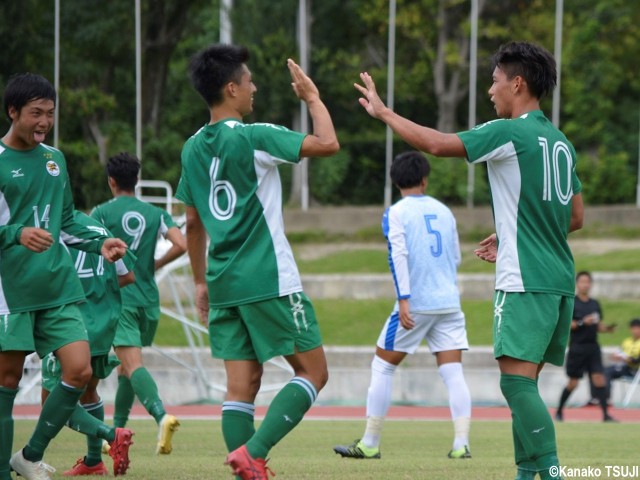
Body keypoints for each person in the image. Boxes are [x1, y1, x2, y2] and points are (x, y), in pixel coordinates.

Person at [354, 41, 584, 480]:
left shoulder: (510, 131)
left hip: (524, 279)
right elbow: (574, 216)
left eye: (495, 81)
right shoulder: (561, 142)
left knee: (515, 384)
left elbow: (439, 146)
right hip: (559, 280)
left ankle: (552, 473)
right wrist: (513, 230)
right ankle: (526, 473)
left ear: (518, 83)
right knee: (525, 383)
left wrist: (384, 113)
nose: (490, 91)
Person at [177, 44, 339, 480]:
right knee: (314, 372)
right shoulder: (253, 136)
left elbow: (192, 223)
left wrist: (199, 282)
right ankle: (254, 453)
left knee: (241, 387)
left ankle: (246, 469)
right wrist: (312, 98)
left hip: (223, 280)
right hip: (268, 278)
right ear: (231, 88)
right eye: (249, 81)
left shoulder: (191, 149)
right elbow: (328, 143)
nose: (254, 87)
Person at [0, 73, 128, 480]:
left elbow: (67, 220)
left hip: (57, 286)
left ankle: (29, 454)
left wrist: (101, 241)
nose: (43, 122)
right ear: (12, 112)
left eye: (50, 114)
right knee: (7, 381)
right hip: (11, 292)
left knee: (79, 370)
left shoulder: (55, 159)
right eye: (35, 113)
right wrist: (15, 233)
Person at [333, 151, 472, 460]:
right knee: (453, 372)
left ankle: (369, 443)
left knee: (382, 365)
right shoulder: (445, 211)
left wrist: (405, 299)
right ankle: (462, 444)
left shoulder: (396, 212)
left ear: (395, 181)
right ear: (425, 179)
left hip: (417, 303)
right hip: (449, 302)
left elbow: (398, 255)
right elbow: (457, 258)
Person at [91, 152, 186, 454]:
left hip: (122, 300)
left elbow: (87, 249)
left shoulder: (101, 213)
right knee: (125, 369)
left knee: (132, 364)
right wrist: (156, 264)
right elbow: (181, 244)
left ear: (111, 181)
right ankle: (116, 434)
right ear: (137, 181)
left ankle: (161, 415)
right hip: (148, 301)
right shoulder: (156, 212)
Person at [40, 210, 137, 476]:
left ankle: (111, 435)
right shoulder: (100, 229)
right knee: (89, 391)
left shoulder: (51, 227)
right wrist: (98, 285)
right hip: (103, 322)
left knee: (51, 400)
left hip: (70, 324)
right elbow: (129, 276)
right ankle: (94, 460)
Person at [556, 271, 616, 422]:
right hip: (577, 347)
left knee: (599, 379)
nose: (585, 284)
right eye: (582, 281)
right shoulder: (572, 302)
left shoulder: (594, 303)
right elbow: (567, 325)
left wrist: (607, 329)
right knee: (573, 382)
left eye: (588, 281)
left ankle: (605, 415)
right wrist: (583, 322)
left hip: (593, 347)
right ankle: (559, 411)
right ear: (577, 283)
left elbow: (598, 325)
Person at [604, 318, 640, 401]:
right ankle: (604, 399)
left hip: (637, 371)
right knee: (603, 371)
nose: (635, 331)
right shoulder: (627, 341)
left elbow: (636, 361)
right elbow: (619, 353)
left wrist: (628, 359)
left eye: (637, 328)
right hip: (627, 368)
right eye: (633, 328)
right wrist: (616, 356)